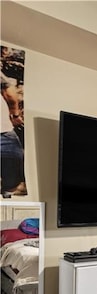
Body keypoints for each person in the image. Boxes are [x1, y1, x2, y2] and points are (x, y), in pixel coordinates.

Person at [1, 45, 27, 196]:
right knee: (14, 166)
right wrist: (15, 114)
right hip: (4, 131)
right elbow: (9, 91)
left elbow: (9, 91)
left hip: (4, 131)